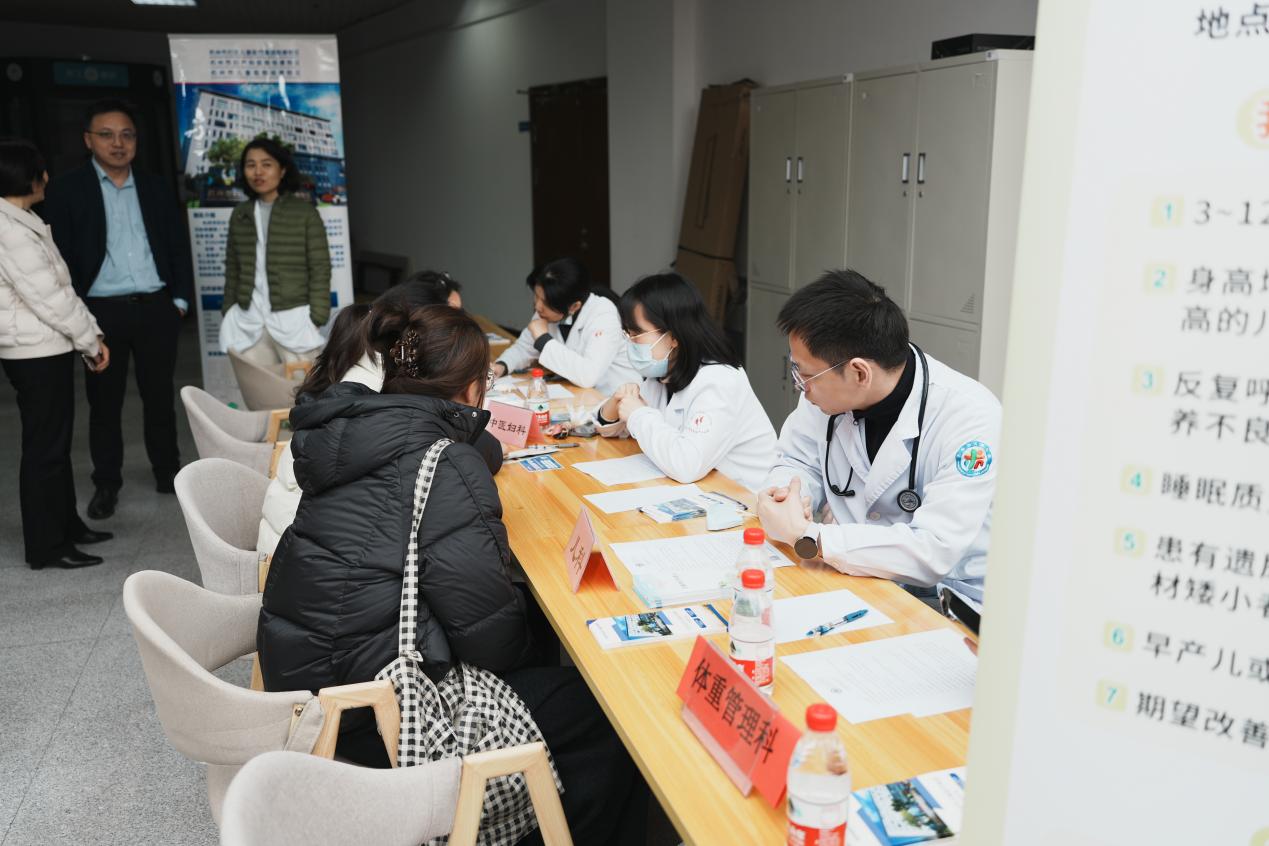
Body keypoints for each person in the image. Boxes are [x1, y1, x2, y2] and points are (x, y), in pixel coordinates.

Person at [258, 303, 646, 844]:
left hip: (303, 676)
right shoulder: (443, 461)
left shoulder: (355, 431)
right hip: (372, 706)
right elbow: (488, 636)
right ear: (471, 388)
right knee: (609, 713)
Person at [756, 269, 1000, 609]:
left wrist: (810, 536)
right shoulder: (824, 395)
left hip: (946, 600)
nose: (801, 386)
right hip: (855, 577)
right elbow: (796, 460)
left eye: (806, 375)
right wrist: (786, 495)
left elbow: (932, 550)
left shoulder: (970, 417)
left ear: (859, 372)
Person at [255, 271, 499, 557]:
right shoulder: (379, 387)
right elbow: (474, 451)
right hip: (300, 551)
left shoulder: (366, 365)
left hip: (300, 549)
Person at [40, 98, 193, 520]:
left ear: (136, 141)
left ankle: (168, 472)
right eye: (106, 135)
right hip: (101, 313)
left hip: (156, 308)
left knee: (159, 397)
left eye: (127, 135)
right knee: (104, 404)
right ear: (88, 140)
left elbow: (177, 246)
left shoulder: (155, 186)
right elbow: (60, 257)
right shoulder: (67, 190)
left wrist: (179, 302)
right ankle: (106, 484)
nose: (118, 143)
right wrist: (79, 313)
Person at [0, 139, 113, 570]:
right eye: (41, 170)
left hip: (46, 345)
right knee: (45, 448)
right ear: (24, 176)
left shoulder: (23, 218)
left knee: (55, 444)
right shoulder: (9, 230)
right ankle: (46, 546)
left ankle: (67, 527)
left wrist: (88, 335)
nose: (47, 177)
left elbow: (61, 290)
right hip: (33, 352)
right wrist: (91, 341)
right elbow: (50, 298)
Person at [594, 272, 777, 491]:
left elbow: (687, 465)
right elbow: (617, 429)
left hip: (745, 496)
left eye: (636, 334)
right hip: (701, 489)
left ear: (673, 337)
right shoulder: (663, 373)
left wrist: (637, 414)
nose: (630, 343)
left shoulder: (719, 381)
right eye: (627, 334)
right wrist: (616, 403)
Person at [219, 137, 331, 364]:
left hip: (295, 321)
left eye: (266, 164)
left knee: (302, 384)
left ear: (282, 170)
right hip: (249, 320)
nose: (258, 172)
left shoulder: (304, 213)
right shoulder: (240, 214)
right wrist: (228, 309)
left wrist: (317, 317)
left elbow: (320, 267)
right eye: (251, 165)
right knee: (256, 384)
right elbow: (233, 268)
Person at [492, 257, 638, 393]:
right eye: (536, 296)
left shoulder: (604, 315)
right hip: (578, 393)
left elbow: (588, 375)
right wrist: (502, 365)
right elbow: (524, 348)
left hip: (613, 395)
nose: (538, 306)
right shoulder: (546, 311)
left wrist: (543, 339)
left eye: (546, 302)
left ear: (574, 306)